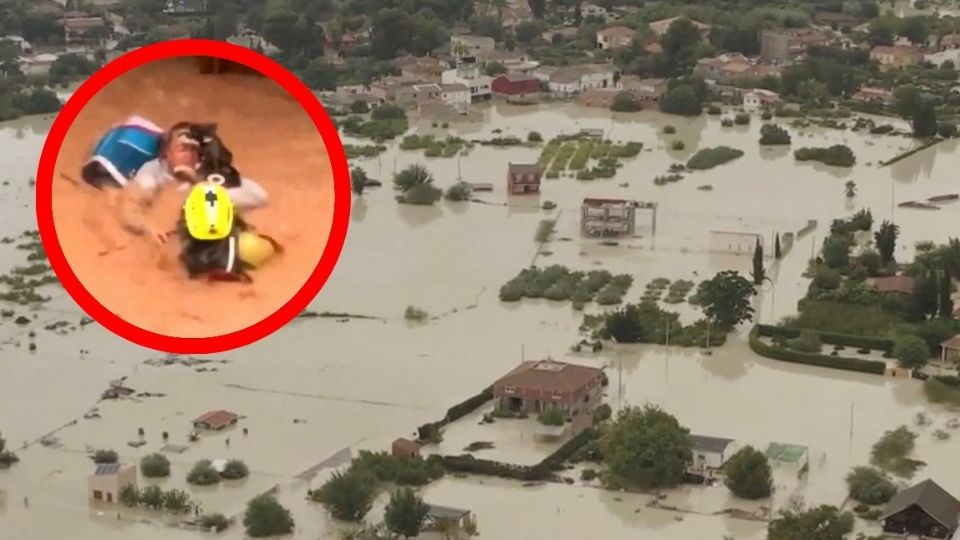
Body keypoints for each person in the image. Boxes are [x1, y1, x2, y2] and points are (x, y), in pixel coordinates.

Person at [82, 119, 269, 245]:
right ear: (166, 154)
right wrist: (147, 226)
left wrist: (200, 185)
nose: (190, 155)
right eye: (183, 149)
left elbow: (259, 196)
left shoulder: (211, 169)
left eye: (194, 149)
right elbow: (128, 207)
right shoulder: (155, 170)